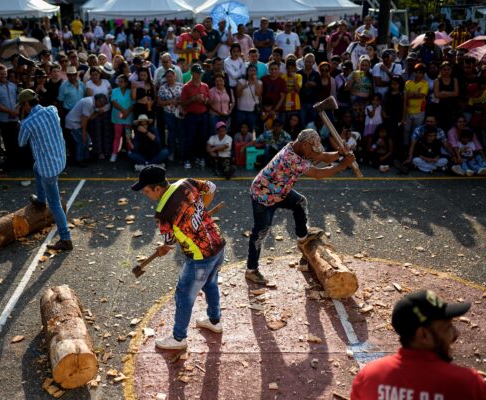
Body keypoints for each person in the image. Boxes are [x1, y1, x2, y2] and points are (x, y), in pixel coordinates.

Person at [131, 166, 225, 350]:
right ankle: (214, 321)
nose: (144, 193)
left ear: (157, 189)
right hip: (218, 243)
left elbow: (170, 244)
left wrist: (163, 248)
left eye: (146, 190)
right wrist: (200, 212)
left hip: (199, 257)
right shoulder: (187, 182)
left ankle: (179, 338)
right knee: (210, 283)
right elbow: (211, 188)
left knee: (183, 295)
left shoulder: (163, 213)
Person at [245, 129, 355, 284]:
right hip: (263, 196)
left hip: (280, 190)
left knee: (300, 202)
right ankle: (251, 270)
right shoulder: (291, 158)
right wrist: (343, 165)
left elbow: (321, 156)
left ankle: (303, 236)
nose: (313, 153)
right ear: (305, 145)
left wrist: (339, 153)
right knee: (260, 233)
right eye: (312, 149)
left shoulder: (297, 147)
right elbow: (318, 173)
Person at [350, 289, 486, 400]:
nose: (456, 334)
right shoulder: (468, 384)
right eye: (447, 327)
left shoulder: (369, 377)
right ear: (424, 335)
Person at [17, 89, 72, 251]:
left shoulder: (27, 123)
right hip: (60, 158)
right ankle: (41, 200)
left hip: (48, 168)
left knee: (54, 203)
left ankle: (65, 238)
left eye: (23, 105)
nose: (23, 108)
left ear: (26, 104)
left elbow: (21, 142)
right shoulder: (52, 110)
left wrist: (21, 121)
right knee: (35, 167)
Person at [65, 94, 110, 165]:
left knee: (86, 140)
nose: (102, 106)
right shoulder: (89, 103)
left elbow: (89, 118)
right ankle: (79, 160)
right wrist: (83, 133)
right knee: (81, 141)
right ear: (99, 101)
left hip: (77, 123)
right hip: (73, 123)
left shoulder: (92, 103)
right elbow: (84, 120)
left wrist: (97, 113)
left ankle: (85, 157)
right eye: (102, 104)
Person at [181, 64, 210, 169]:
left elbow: (209, 101)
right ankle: (187, 159)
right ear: (192, 73)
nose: (199, 75)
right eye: (197, 73)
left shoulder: (205, 86)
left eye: (200, 73)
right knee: (190, 138)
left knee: (202, 138)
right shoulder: (186, 87)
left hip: (203, 115)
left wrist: (205, 100)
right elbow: (183, 103)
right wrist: (193, 99)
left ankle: (200, 157)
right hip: (191, 115)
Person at [110, 74, 135, 162]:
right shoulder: (114, 91)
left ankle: (129, 151)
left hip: (128, 118)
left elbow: (133, 103)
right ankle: (114, 153)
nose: (119, 83)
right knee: (117, 136)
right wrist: (124, 111)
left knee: (128, 136)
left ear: (126, 83)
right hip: (118, 118)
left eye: (121, 82)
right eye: (118, 82)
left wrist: (127, 112)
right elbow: (114, 102)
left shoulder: (130, 91)